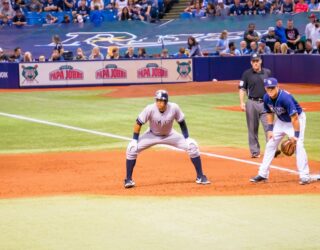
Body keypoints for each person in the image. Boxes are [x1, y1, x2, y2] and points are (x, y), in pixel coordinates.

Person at [124, 89, 210, 188]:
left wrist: (187, 138)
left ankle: (200, 176)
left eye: (161, 101)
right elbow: (138, 123)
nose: (159, 103)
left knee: (192, 146)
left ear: (166, 101)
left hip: (170, 135)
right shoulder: (150, 109)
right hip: (152, 135)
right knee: (131, 149)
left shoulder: (174, 108)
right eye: (157, 100)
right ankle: (128, 179)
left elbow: (181, 122)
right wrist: (135, 140)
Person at [250, 77, 311, 185]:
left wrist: (296, 136)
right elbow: (269, 112)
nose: (270, 90)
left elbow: (295, 118)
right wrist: (270, 129)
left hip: (296, 121)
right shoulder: (266, 98)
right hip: (281, 121)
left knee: (299, 145)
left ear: (277, 87)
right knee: (270, 145)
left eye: (272, 88)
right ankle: (263, 174)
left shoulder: (285, 98)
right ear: (265, 88)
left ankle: (304, 175)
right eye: (268, 88)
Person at [239, 53, 281, 158]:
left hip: (266, 103)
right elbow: (242, 88)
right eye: (253, 61)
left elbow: (274, 87)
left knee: (269, 127)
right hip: (251, 103)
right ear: (251, 63)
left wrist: (275, 101)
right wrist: (242, 102)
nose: (255, 63)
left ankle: (272, 149)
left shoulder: (267, 72)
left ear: (260, 61)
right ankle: (255, 152)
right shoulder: (246, 74)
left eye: (257, 61)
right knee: (252, 128)